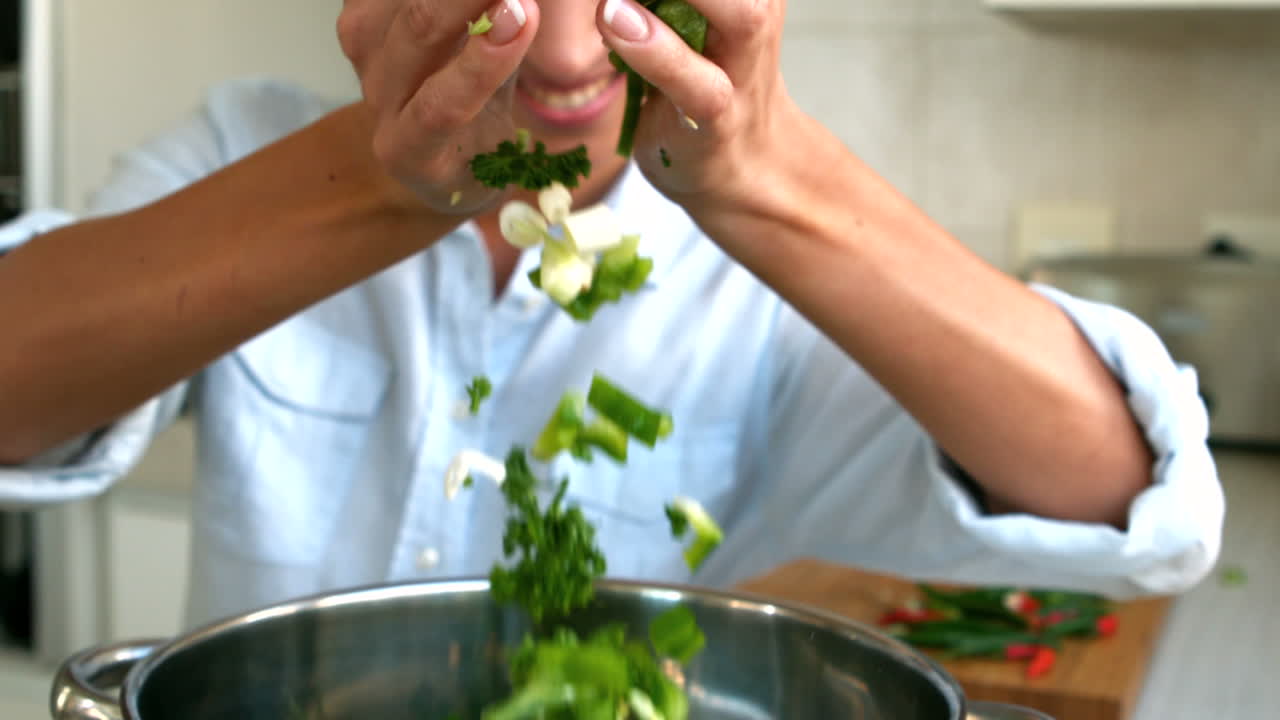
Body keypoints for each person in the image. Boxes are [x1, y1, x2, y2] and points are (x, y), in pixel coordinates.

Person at [0, 0, 1223, 628]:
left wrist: (767, 176)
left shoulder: (763, 278)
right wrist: (374, 182)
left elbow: (1132, 507)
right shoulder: (240, 150)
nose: (568, 55)